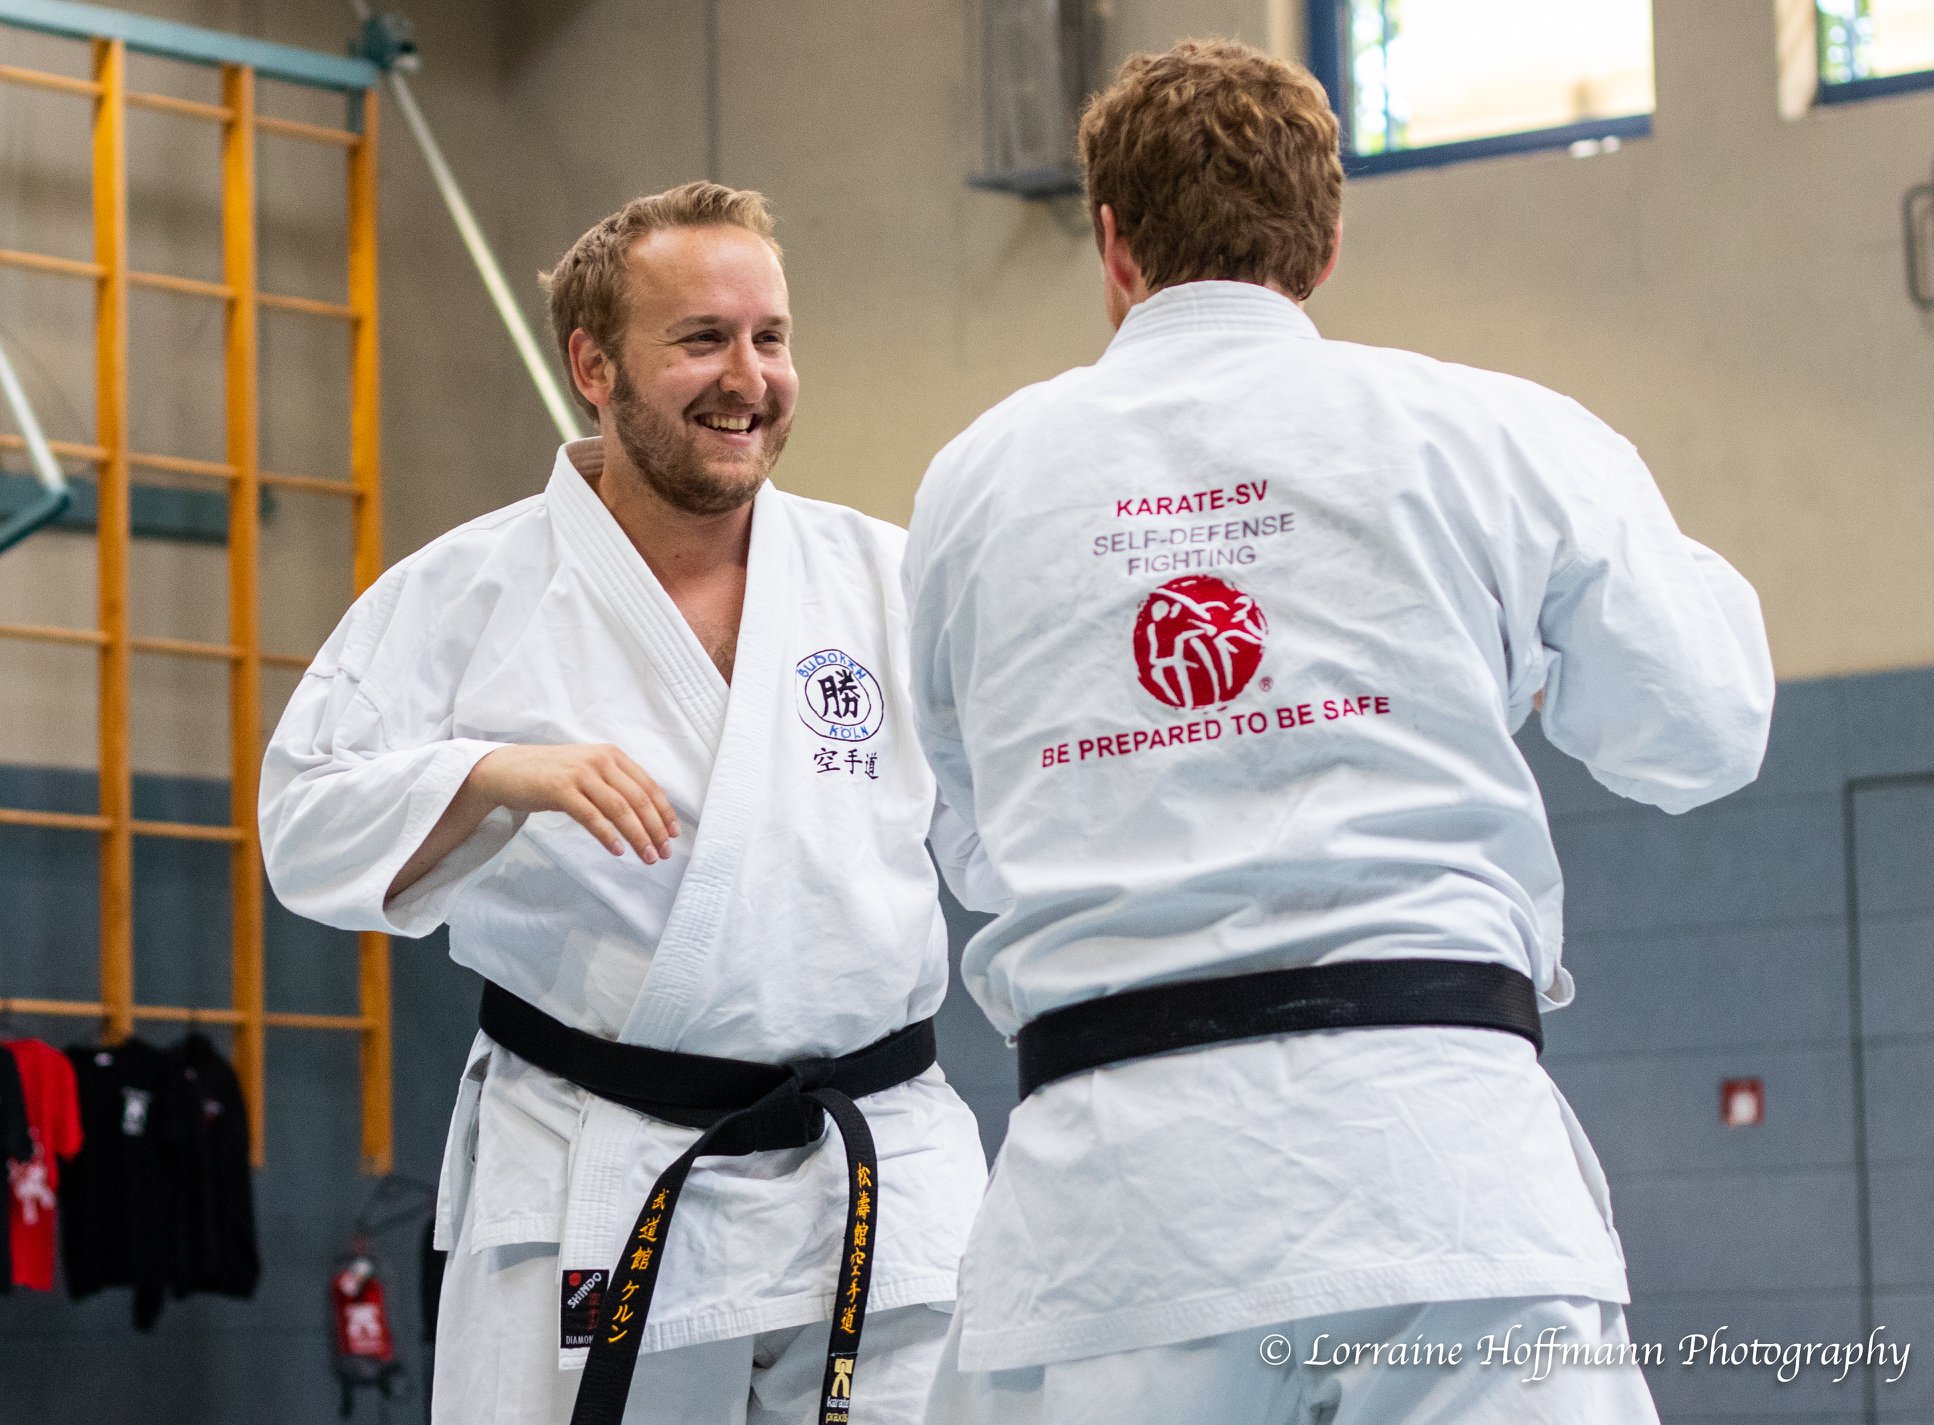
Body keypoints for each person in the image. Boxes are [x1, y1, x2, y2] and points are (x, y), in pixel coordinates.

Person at [904, 40, 1773, 1425]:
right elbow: (1703, 729)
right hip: (1439, 1169)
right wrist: (1524, 650)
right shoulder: (1488, 434)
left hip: (1112, 1210)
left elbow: (964, 831)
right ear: (1324, 240)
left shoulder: (977, 484)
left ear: (1112, 242)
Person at [261, 182, 992, 1425]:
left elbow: (1004, 830)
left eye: (770, 338)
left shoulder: (887, 574)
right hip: (606, 1166)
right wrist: (489, 774)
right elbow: (303, 823)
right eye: (701, 339)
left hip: (877, 1174)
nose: (747, 377)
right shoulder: (470, 590)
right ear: (592, 364)